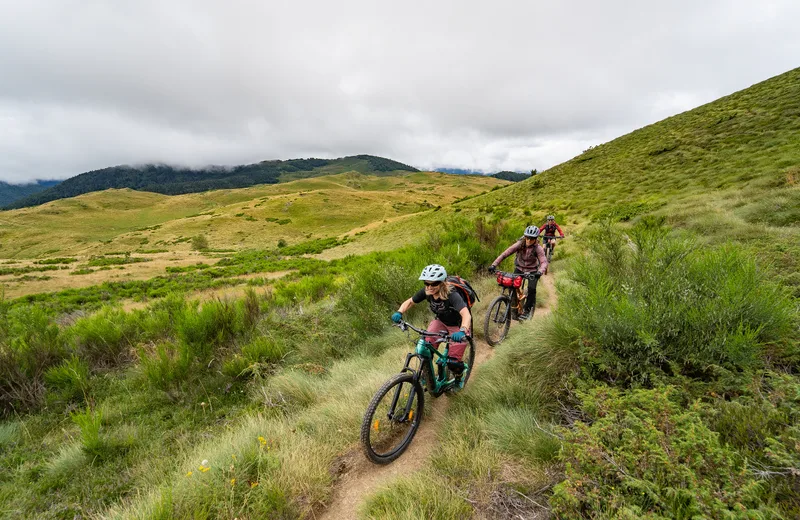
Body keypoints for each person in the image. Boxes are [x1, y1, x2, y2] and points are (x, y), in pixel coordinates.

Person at [391, 264, 471, 389]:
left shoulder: (452, 295)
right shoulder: (427, 292)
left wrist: (462, 330)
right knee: (425, 349)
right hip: (440, 322)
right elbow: (410, 301)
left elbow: (466, 314)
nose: (430, 287)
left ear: (442, 282)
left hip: (457, 325)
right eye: (426, 283)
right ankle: (426, 375)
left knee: (453, 363)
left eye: (434, 284)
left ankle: (460, 376)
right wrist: (399, 312)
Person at [487, 225, 547, 320]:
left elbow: (543, 262)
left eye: (532, 239)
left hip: (532, 271)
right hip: (519, 268)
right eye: (527, 237)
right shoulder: (519, 244)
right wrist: (494, 265)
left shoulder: (538, 248)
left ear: (536, 239)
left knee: (531, 289)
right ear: (525, 236)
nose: (529, 240)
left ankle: (527, 311)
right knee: (511, 286)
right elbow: (505, 254)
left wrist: (539, 272)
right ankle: (513, 309)